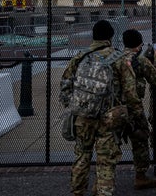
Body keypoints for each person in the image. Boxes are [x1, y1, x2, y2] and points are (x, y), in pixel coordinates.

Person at [60, 20, 140, 196]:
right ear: (111, 37)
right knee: (106, 161)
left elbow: (65, 86)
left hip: (82, 116)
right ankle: (104, 192)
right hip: (109, 118)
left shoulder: (80, 57)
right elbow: (130, 91)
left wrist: (74, 106)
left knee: (82, 156)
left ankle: (77, 191)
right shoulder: (119, 59)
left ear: (93, 37)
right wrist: (135, 113)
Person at [122, 29, 156, 190]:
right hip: (133, 108)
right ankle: (140, 176)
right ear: (139, 45)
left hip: (115, 108)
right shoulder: (140, 60)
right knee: (140, 139)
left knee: (110, 142)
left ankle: (101, 181)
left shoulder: (115, 58)